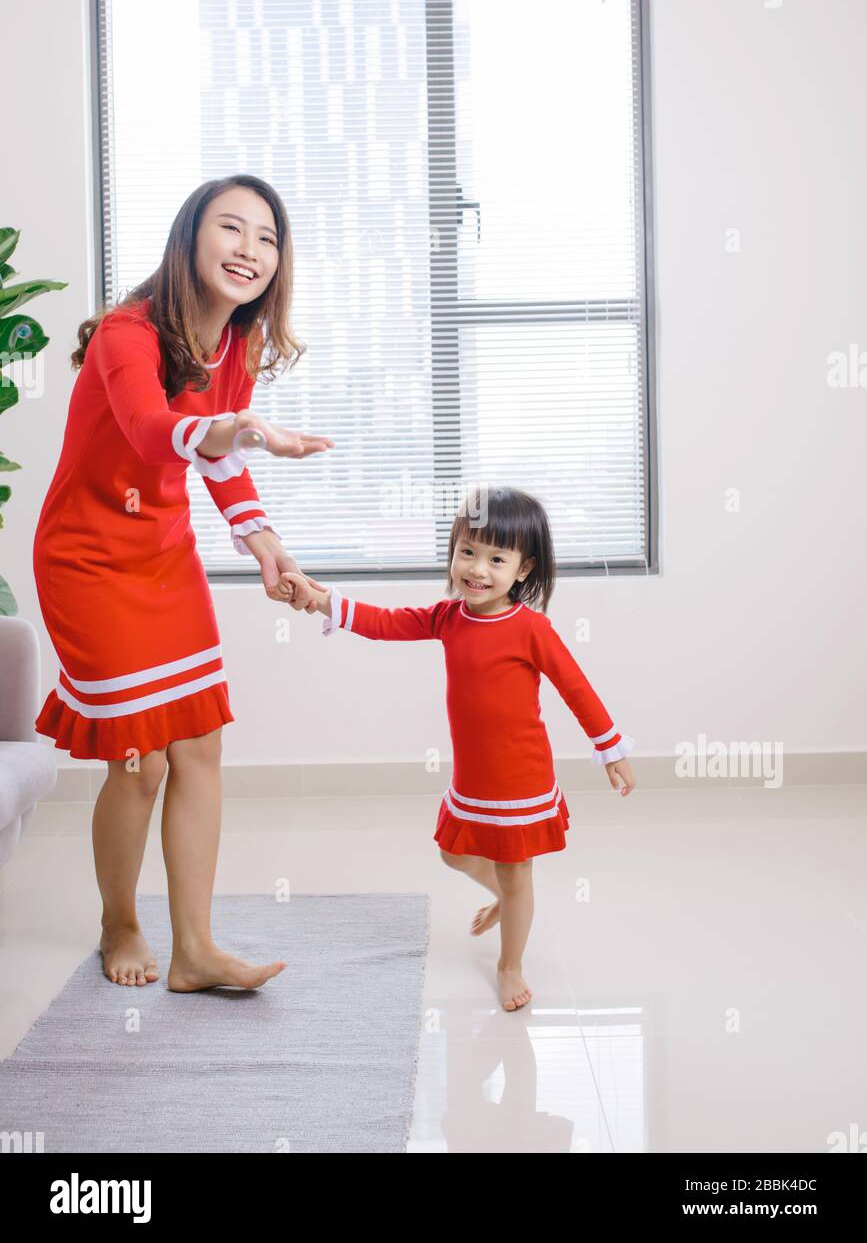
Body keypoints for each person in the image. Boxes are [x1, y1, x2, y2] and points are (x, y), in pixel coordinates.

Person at [32, 174, 333, 992]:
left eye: (266, 238)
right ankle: (119, 922)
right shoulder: (126, 334)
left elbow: (217, 458)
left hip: (163, 555)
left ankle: (195, 951)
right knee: (141, 763)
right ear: (189, 238)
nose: (249, 249)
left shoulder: (236, 344)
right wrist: (236, 427)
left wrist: (265, 544)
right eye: (230, 228)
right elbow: (151, 430)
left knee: (199, 746)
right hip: (87, 561)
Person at [282, 486, 636, 1012]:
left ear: (523, 569)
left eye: (496, 559)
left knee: (516, 871)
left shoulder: (532, 630)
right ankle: (504, 898)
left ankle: (509, 964)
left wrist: (611, 749)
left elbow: (576, 688)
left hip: (520, 775)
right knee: (452, 853)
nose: (477, 569)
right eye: (468, 551)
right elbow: (386, 623)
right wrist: (322, 599)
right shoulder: (448, 618)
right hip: (473, 776)